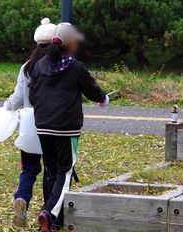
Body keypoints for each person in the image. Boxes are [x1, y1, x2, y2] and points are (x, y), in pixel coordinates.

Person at [29, 24, 109, 232]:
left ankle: (55, 218)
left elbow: (32, 95)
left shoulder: (40, 65)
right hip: (65, 128)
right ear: (71, 44)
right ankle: (49, 213)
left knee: (52, 170)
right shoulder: (75, 67)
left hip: (43, 125)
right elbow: (92, 90)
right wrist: (104, 98)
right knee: (65, 171)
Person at [4, 18, 57, 228]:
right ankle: (47, 211)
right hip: (53, 125)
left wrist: (6, 106)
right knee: (52, 170)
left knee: (28, 169)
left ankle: (22, 198)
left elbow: (16, 99)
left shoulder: (27, 67)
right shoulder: (60, 65)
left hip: (29, 125)